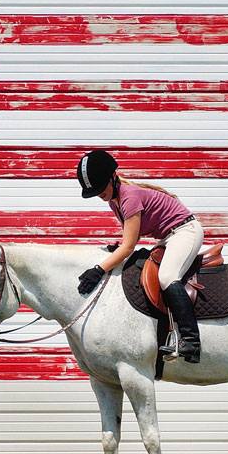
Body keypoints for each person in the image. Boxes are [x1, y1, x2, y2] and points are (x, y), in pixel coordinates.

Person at [75, 149, 204, 363]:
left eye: (100, 188)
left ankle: (191, 341)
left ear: (112, 177)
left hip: (185, 231)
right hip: (167, 238)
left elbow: (128, 247)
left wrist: (98, 269)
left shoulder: (129, 198)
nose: (99, 194)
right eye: (95, 191)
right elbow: (127, 240)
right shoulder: (114, 201)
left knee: (167, 276)